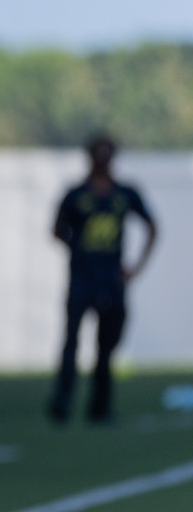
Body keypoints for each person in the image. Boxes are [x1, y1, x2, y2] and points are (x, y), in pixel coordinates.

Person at [48, 134, 157, 424]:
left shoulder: (124, 194)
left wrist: (135, 269)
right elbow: (56, 229)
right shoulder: (76, 195)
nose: (103, 162)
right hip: (82, 279)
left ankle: (100, 405)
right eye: (98, 156)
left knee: (107, 345)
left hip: (112, 280)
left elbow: (152, 227)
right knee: (71, 340)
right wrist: (76, 247)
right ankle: (62, 401)